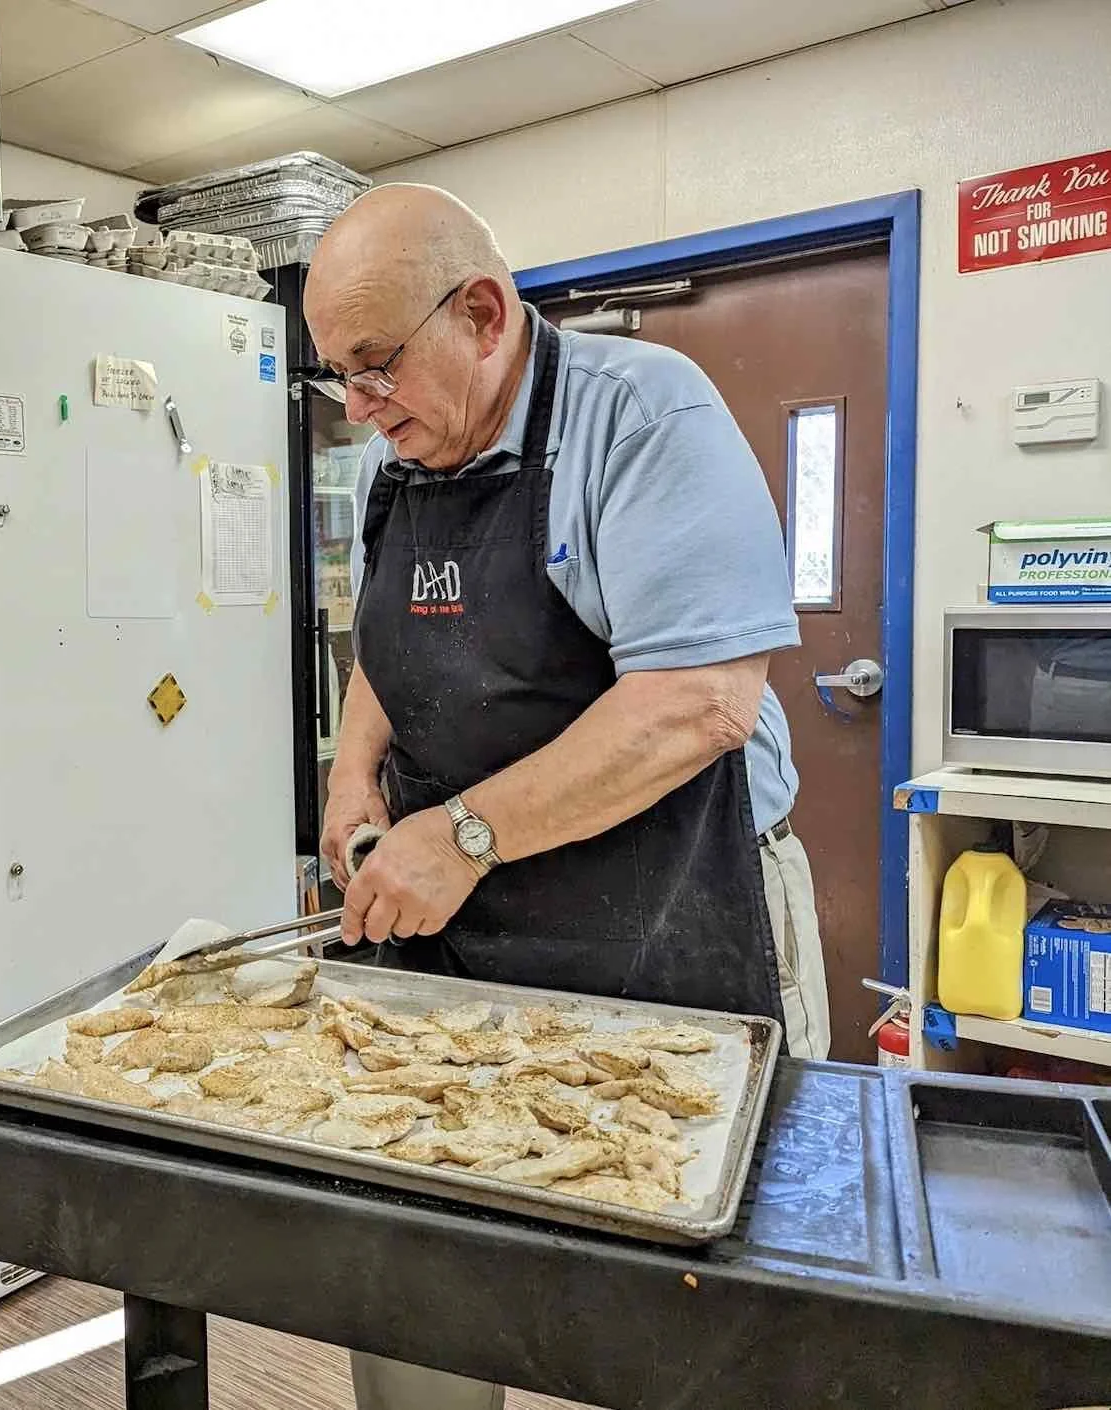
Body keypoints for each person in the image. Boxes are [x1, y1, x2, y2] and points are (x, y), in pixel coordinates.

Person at [301, 185, 831, 1410]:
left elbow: (701, 701)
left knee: (694, 1298)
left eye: (376, 370)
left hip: (680, 916)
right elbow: (389, 643)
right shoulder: (404, 457)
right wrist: (350, 771)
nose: (364, 414)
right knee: (418, 1255)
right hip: (477, 926)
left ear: (482, 315)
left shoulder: (642, 417)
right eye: (340, 380)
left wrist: (466, 832)